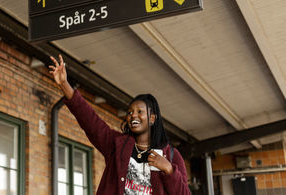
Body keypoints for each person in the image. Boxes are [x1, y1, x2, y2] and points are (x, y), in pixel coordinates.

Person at [49, 55, 190, 195]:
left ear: (152, 118)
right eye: (129, 113)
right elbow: (90, 121)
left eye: (139, 111)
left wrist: (170, 170)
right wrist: (64, 84)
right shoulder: (117, 145)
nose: (133, 115)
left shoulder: (171, 155)